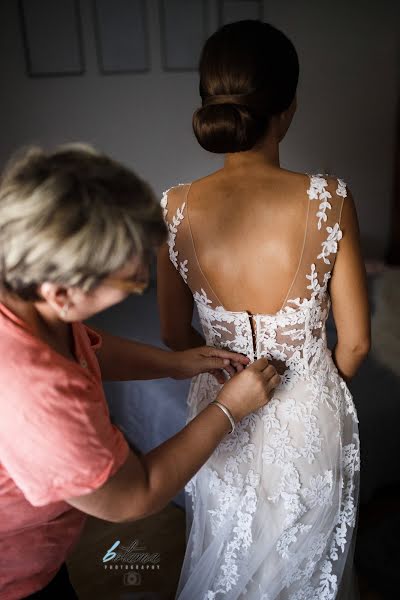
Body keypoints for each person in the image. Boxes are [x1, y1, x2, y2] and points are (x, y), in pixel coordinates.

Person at [0, 144, 281, 600]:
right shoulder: (33, 391)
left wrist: (173, 364)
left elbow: (88, 345)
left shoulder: (26, 298)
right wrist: (228, 409)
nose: (140, 286)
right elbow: (133, 495)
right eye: (132, 283)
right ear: (60, 293)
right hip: (15, 577)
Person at [157, 19, 371, 600]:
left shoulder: (175, 206)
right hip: (309, 415)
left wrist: (222, 371)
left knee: (227, 559)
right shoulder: (330, 199)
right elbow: (354, 345)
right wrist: (312, 386)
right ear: (289, 108)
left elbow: (174, 331)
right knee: (304, 573)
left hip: (216, 410)